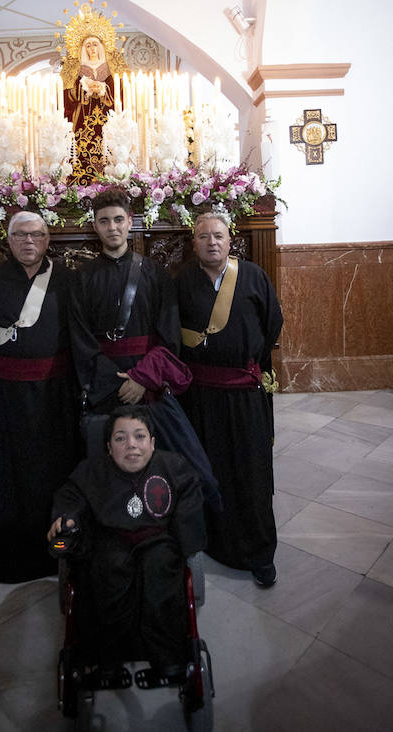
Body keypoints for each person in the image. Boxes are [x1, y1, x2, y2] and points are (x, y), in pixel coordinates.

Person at [0, 210, 79, 583]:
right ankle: (15, 562)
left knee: (57, 476)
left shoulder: (67, 281)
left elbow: (80, 340)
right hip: (6, 400)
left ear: (47, 240)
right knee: (9, 480)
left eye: (37, 235)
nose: (29, 242)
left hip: (56, 396)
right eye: (20, 235)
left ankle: (59, 554)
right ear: (8, 241)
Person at [48, 405, 206, 677]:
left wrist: (185, 538)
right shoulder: (91, 472)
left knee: (160, 572)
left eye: (139, 436)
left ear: (153, 443)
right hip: (110, 541)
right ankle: (106, 659)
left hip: (158, 541)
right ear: (109, 447)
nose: (131, 445)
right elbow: (71, 499)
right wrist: (67, 520)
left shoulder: (174, 467)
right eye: (120, 438)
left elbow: (190, 501)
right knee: (106, 572)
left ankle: (166, 656)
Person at [177, 212, 283, 586]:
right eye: (203, 236)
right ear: (194, 243)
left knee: (251, 471)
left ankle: (259, 551)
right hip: (201, 397)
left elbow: (272, 323)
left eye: (218, 235)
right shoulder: (182, 280)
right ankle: (214, 540)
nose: (212, 242)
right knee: (208, 467)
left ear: (230, 239)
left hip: (243, 393)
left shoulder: (253, 276)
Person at [69, 188, 183, 415]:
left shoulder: (155, 274)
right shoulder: (81, 278)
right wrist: (116, 382)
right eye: (104, 221)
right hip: (104, 389)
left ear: (130, 222)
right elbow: (80, 339)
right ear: (95, 226)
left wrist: (142, 379)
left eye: (118, 219)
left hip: (148, 385)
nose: (112, 228)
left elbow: (170, 335)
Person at [60, 2, 129, 184]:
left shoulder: (111, 68)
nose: (92, 49)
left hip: (107, 117)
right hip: (83, 119)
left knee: (110, 148)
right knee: (82, 151)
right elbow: (67, 98)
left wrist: (104, 89)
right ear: (83, 48)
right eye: (88, 45)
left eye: (95, 45)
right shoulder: (76, 69)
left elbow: (120, 95)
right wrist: (84, 89)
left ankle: (111, 179)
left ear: (101, 46)